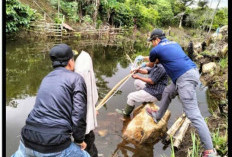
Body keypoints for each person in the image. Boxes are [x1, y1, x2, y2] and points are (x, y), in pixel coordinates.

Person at [140, 28, 218, 157]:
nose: (151, 43)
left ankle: (210, 151)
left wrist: (141, 65)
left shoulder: (156, 49)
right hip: (191, 72)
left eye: (152, 41)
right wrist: (143, 58)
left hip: (184, 78)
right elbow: (163, 59)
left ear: (156, 39)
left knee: (193, 114)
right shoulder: (174, 43)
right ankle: (157, 116)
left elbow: (152, 64)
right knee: (168, 91)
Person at [12, 44, 90, 157]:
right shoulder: (76, 79)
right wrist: (79, 140)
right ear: (70, 62)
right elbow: (79, 115)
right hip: (54, 144)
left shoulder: (46, 78)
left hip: (27, 140)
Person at [75, 51, 99, 157]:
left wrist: (92, 108)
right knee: (88, 144)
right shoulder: (83, 71)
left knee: (90, 141)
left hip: (81, 124)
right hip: (82, 126)